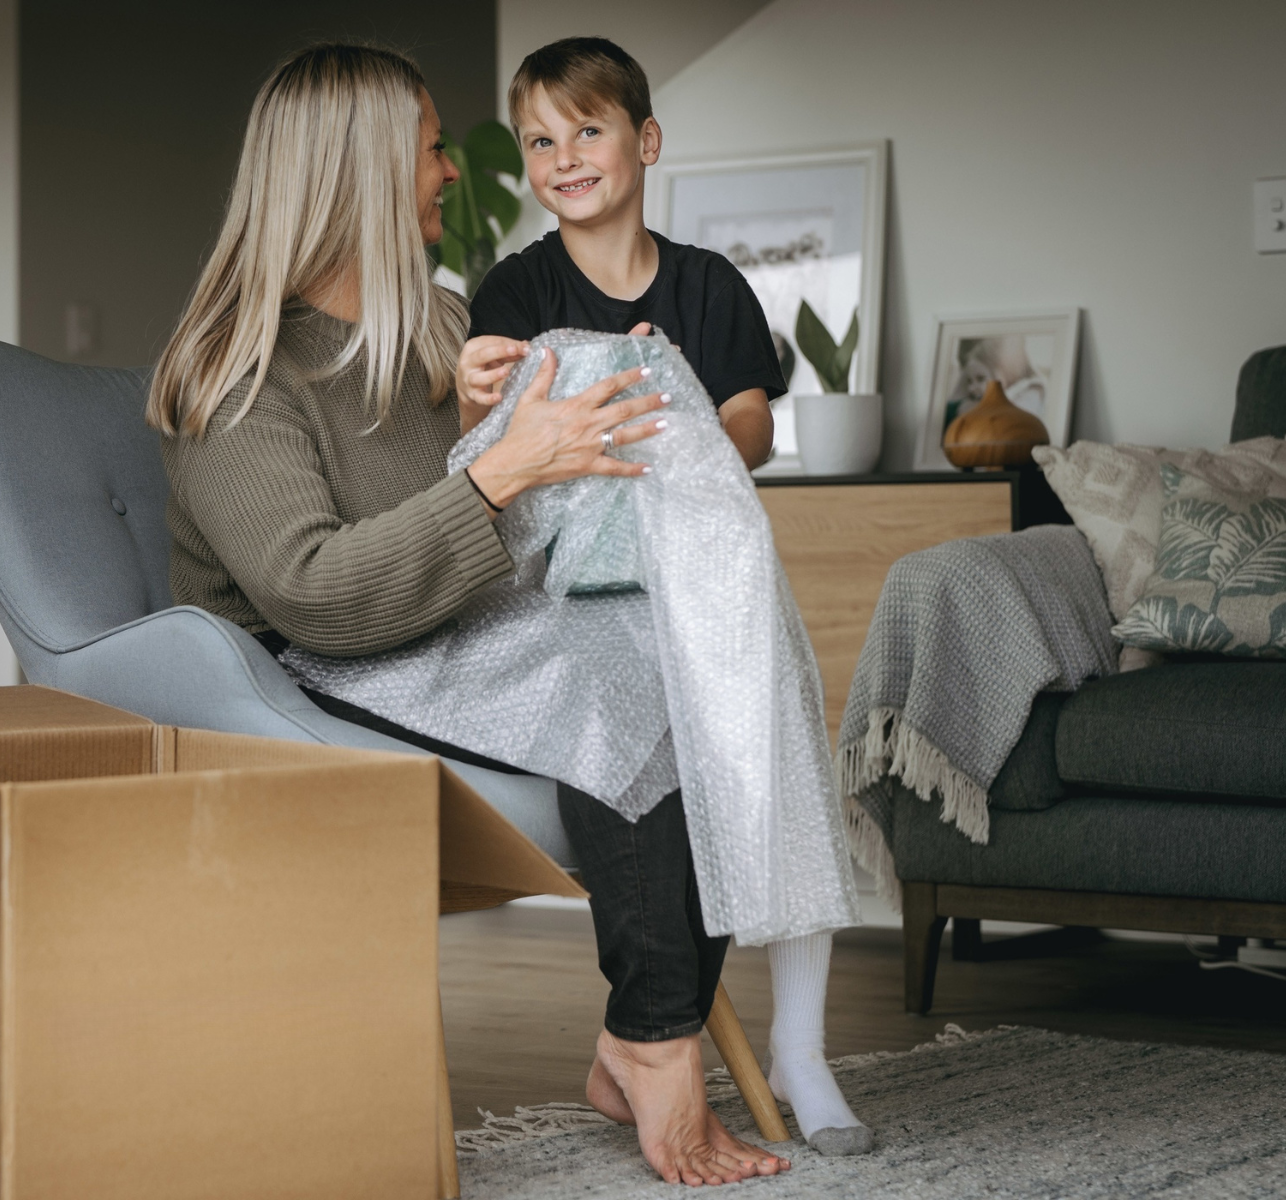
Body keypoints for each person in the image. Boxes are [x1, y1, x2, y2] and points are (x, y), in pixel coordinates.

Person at [151, 42, 791, 1186]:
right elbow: (313, 588)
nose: (455, 173)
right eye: (434, 148)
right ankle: (656, 1047)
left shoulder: (440, 327)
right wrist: (497, 475)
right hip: (306, 663)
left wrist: (567, 411)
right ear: (358, 174)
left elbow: (526, 490)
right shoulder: (237, 374)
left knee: (699, 662)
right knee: (614, 692)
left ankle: (636, 1037)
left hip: (447, 624)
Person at [460, 37, 871, 1158]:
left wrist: (675, 398)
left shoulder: (708, 285)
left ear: (645, 141)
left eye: (586, 130)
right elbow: (491, 441)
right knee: (656, 741)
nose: (562, 158)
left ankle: (801, 1043)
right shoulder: (517, 288)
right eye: (540, 141)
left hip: (706, 577)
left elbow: (747, 422)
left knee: (773, 740)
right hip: (585, 586)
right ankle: (649, 1040)